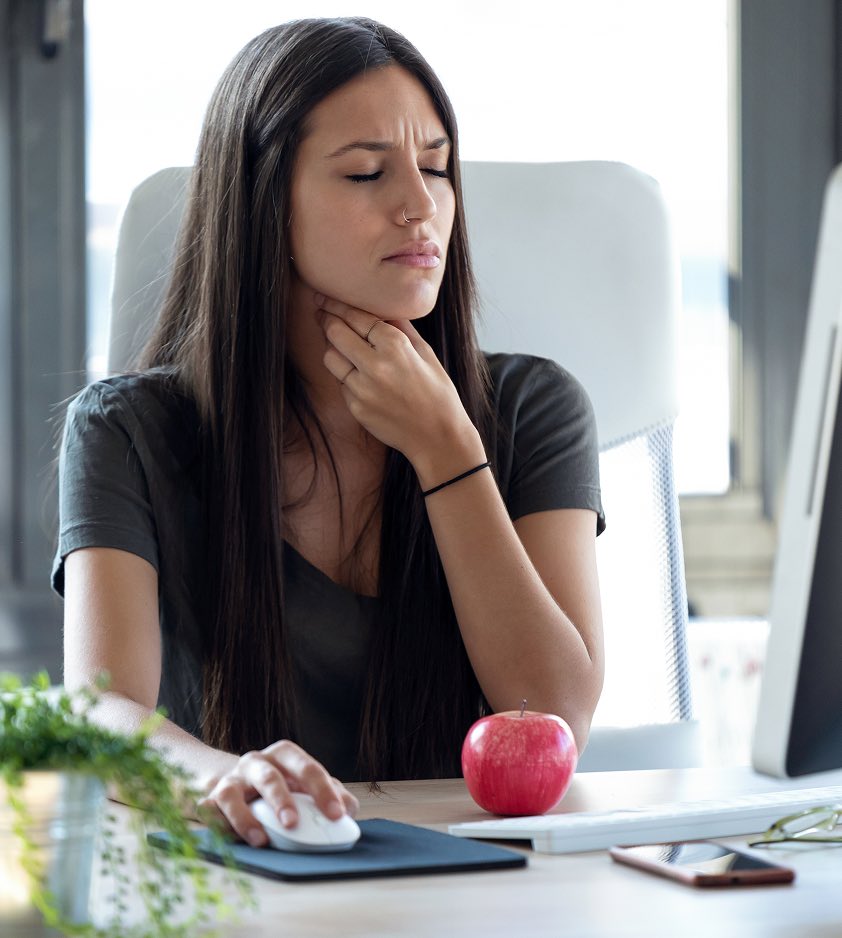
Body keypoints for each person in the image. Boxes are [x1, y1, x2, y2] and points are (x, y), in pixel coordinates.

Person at [54, 17, 605, 849]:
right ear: (262, 200)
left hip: (484, 882)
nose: (422, 206)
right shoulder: (127, 432)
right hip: (250, 874)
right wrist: (222, 778)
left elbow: (555, 715)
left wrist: (447, 451)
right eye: (366, 172)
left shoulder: (534, 408)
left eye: (436, 168)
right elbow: (100, 713)